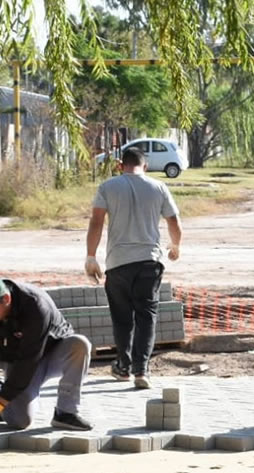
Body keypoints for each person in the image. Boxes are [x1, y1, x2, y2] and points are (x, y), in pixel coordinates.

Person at [84, 146, 183, 390]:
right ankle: (142, 370)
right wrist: (175, 245)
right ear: (145, 166)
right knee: (146, 316)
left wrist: (90, 256)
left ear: (120, 165)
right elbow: (173, 220)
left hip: (118, 264)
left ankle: (124, 367)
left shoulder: (108, 187)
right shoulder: (158, 187)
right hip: (150, 263)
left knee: (122, 318)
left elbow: (96, 221)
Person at [0, 276, 94, 432]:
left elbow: (28, 360)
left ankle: (65, 412)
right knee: (20, 421)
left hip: (52, 353)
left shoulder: (36, 306)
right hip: (18, 357)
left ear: (6, 299)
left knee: (80, 345)